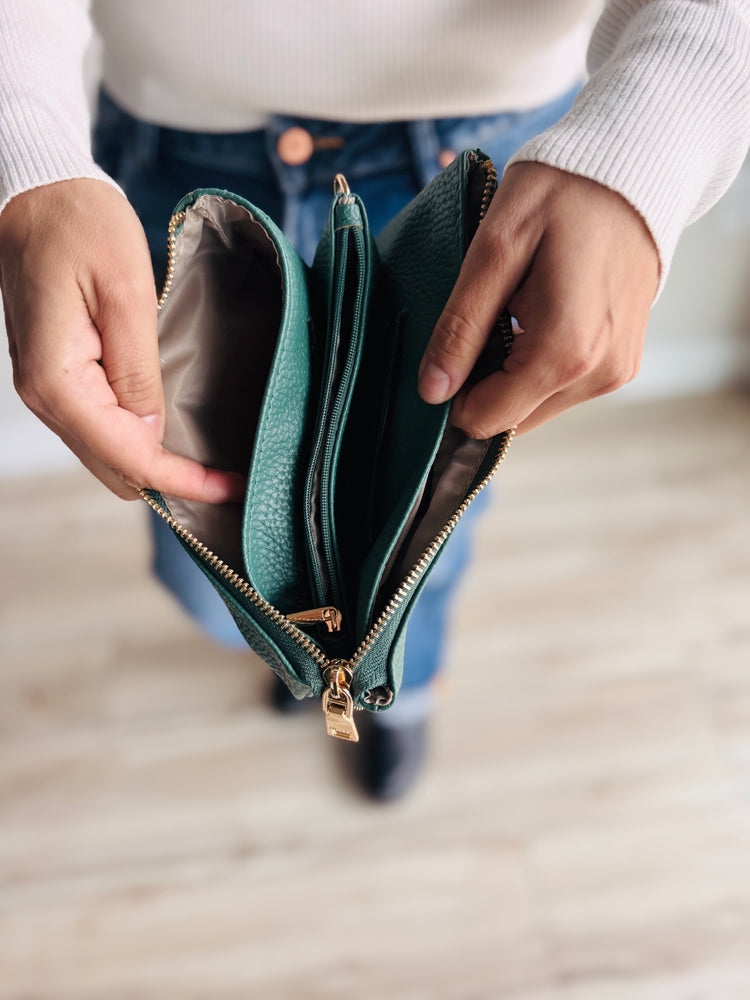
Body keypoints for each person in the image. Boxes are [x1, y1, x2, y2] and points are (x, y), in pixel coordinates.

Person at [1, 1, 748, 800]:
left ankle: (396, 685)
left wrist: (648, 145)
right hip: (165, 152)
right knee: (198, 502)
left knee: (423, 526)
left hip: (496, 157)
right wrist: (24, 142)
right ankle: (304, 654)